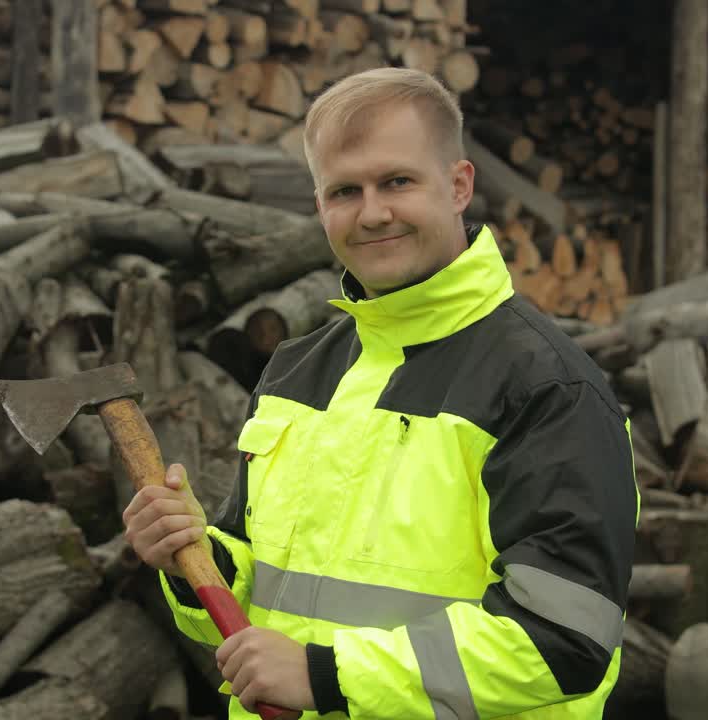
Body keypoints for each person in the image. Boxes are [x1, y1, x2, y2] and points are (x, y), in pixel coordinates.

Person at [123, 67, 638, 720]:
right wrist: (192, 558)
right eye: (344, 191)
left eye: (396, 181)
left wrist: (325, 675)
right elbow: (265, 588)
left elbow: (563, 639)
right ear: (319, 206)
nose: (372, 213)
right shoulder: (298, 370)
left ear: (458, 185)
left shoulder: (546, 388)